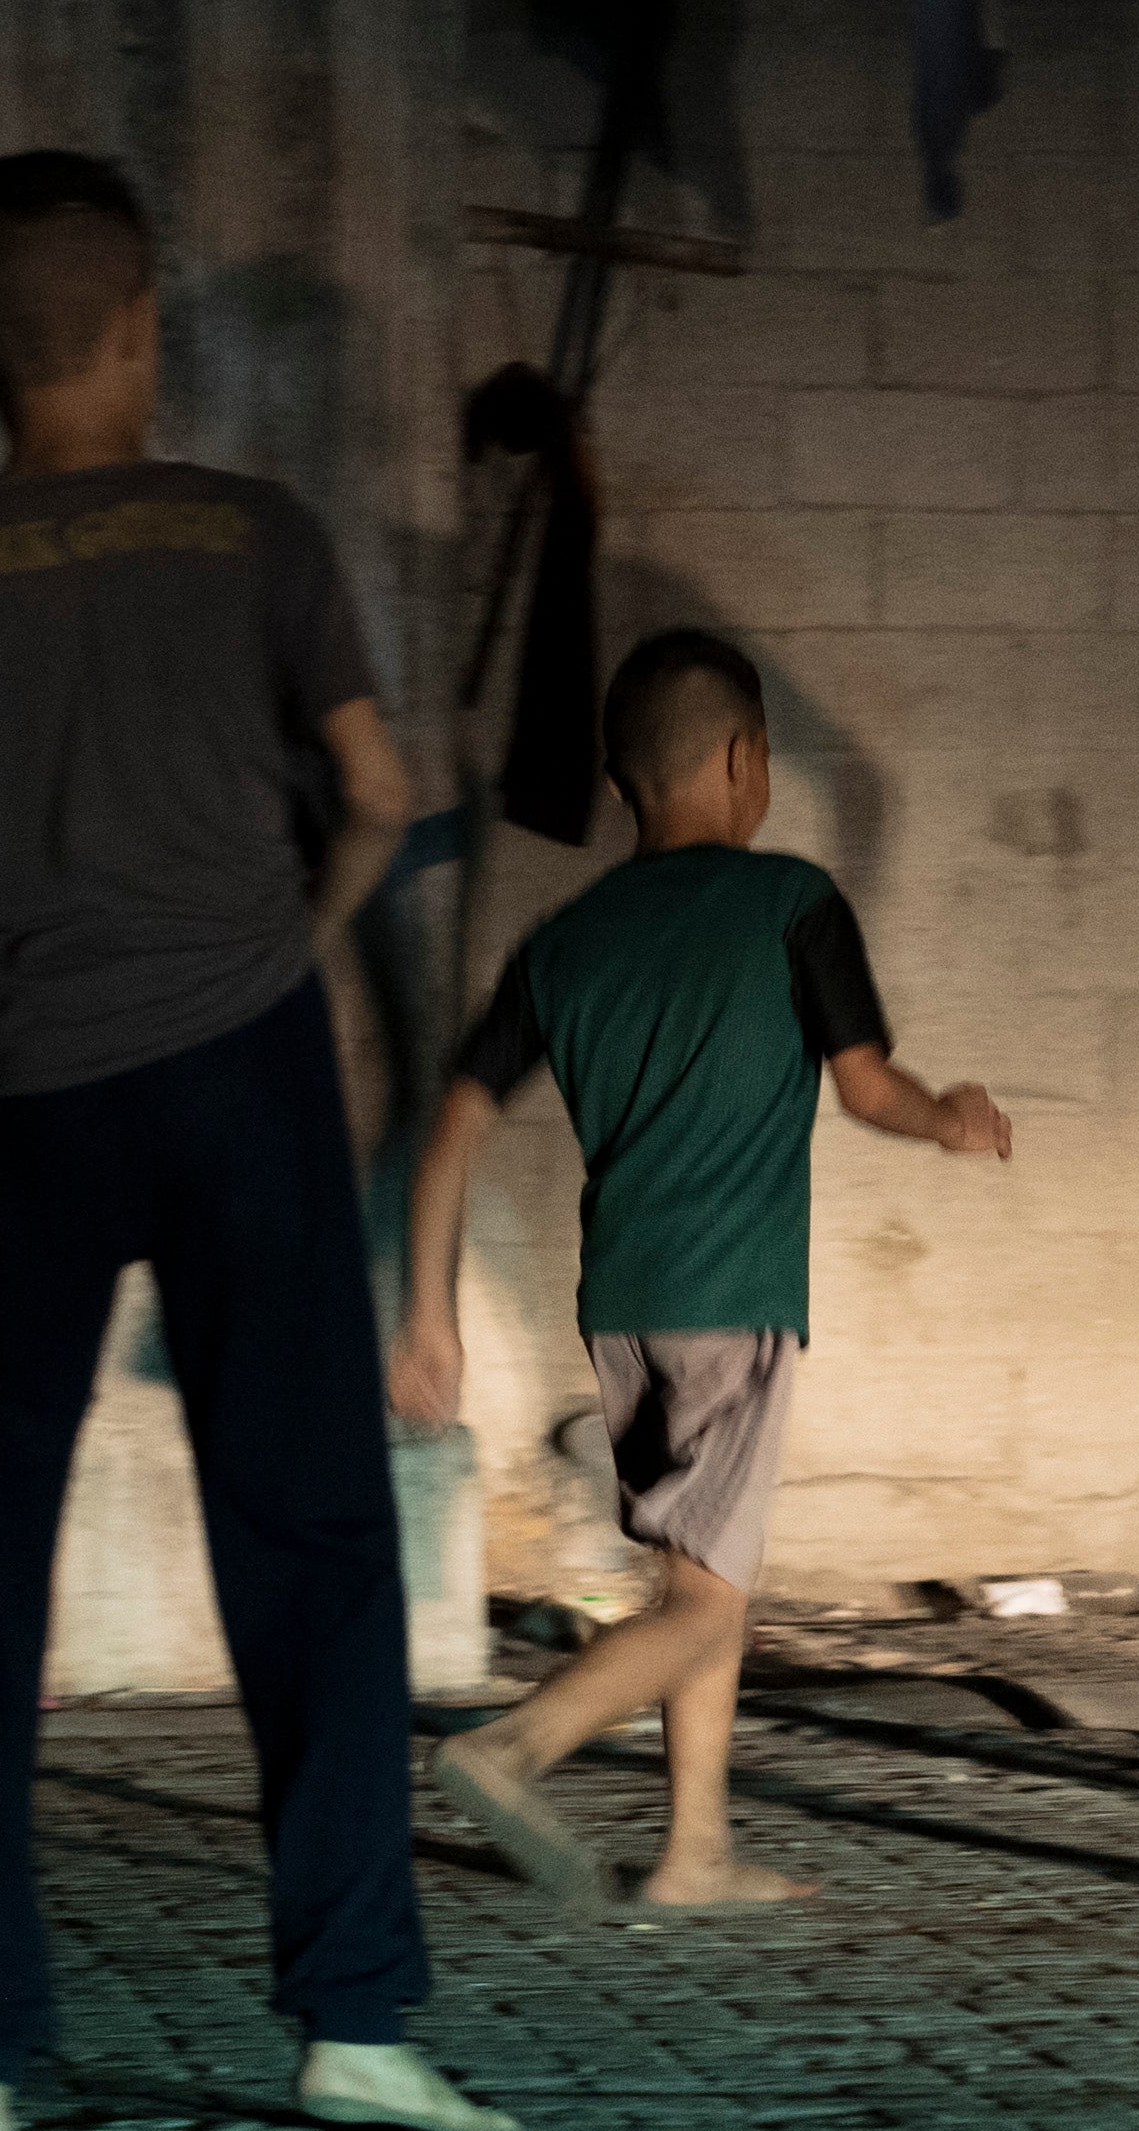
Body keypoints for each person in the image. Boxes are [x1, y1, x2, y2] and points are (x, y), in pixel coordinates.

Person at [0, 150, 498, 2131]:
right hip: (237, 1064)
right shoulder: (253, 530)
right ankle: (353, 2021)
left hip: (22, 1092)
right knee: (317, 1541)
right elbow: (374, 787)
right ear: (150, 328)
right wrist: (294, 940)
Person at [384, 629, 1014, 1908]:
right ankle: (510, 1751)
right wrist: (946, 1116)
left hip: (621, 1310)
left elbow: (449, 1124)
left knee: (700, 1579)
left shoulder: (562, 943)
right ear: (745, 760)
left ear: (625, 784)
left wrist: (426, 1317)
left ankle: (694, 1852)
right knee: (710, 1604)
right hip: (735, 1299)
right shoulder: (793, 905)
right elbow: (866, 1086)